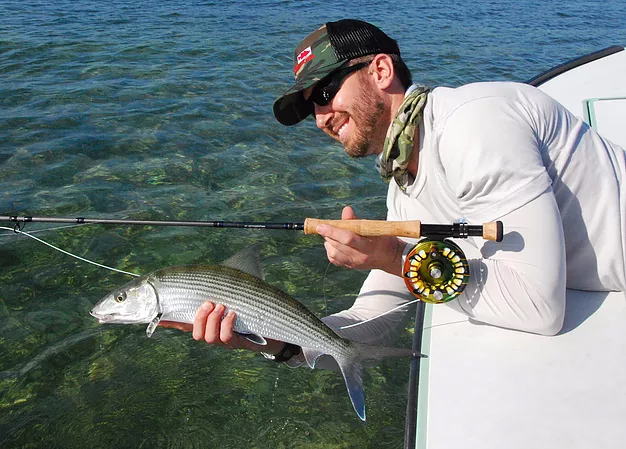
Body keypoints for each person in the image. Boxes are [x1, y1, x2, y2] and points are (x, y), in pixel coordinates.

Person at [162, 19, 626, 367]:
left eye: (325, 92)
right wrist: (272, 339)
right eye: (311, 112)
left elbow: (541, 310)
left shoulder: (475, 124)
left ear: (381, 70)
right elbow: (375, 312)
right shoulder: (403, 191)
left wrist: (396, 258)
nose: (321, 117)